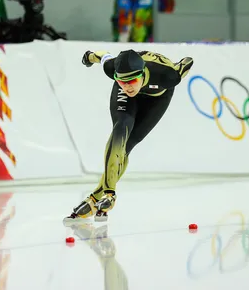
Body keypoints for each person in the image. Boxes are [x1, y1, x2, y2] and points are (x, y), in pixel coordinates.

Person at [63, 49, 193, 223]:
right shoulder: (113, 70)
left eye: (132, 80)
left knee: (128, 145)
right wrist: (88, 57)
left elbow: (187, 62)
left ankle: (94, 198)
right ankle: (109, 194)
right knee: (120, 129)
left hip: (158, 97)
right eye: (122, 81)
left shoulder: (167, 76)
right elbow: (102, 57)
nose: (127, 86)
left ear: (141, 74)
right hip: (128, 99)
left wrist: (181, 64)